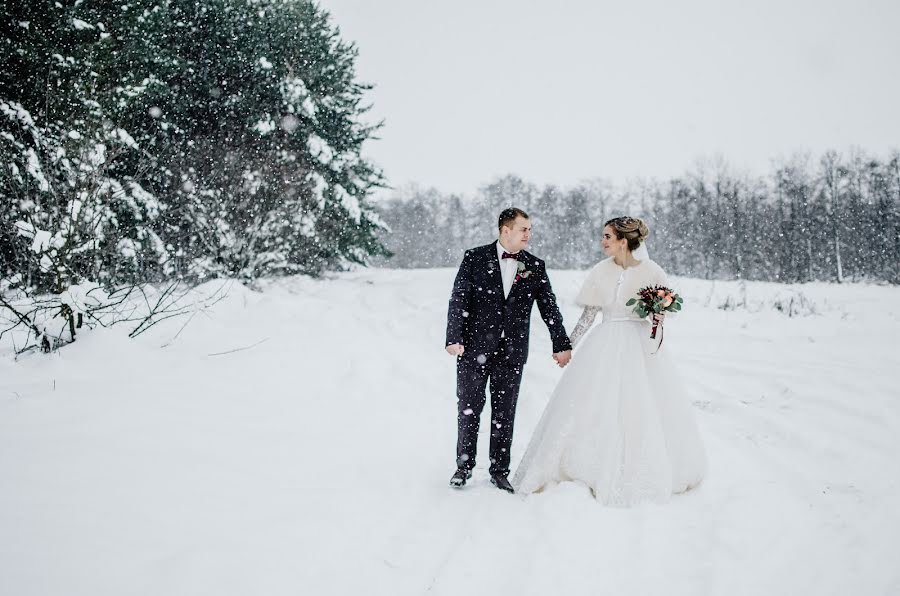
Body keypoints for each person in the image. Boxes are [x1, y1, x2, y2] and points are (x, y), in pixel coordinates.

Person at [512, 216, 707, 505]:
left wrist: (658, 315)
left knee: (640, 403)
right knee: (593, 402)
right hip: (604, 344)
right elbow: (589, 316)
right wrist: (567, 345)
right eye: (603, 236)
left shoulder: (652, 271)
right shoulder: (601, 271)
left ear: (624, 241)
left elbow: (663, 312)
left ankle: (644, 470)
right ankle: (584, 463)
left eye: (607, 236)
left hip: (640, 347)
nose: (602, 241)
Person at [445, 208, 572, 492]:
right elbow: (458, 300)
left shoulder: (534, 266)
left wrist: (560, 343)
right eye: (523, 229)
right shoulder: (474, 258)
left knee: (505, 412)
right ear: (506, 230)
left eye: (529, 229)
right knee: (469, 409)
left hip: (512, 352)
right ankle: (463, 467)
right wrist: (454, 337)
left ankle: (500, 470)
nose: (529, 234)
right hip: (473, 348)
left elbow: (549, 307)